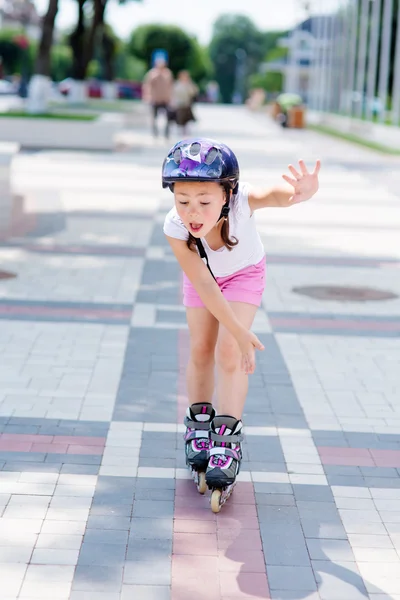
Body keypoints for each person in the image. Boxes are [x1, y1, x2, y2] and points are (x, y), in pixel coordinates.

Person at [162, 138, 320, 493]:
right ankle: (199, 425)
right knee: (202, 348)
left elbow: (275, 195)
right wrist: (237, 329)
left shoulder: (242, 201)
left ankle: (226, 437)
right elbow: (203, 283)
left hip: (245, 273)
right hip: (206, 280)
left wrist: (301, 192)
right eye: (182, 201)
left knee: (230, 352)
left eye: (204, 201)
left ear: (226, 194)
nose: (193, 213)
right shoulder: (175, 227)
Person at [142, 57, 173, 138]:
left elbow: (171, 86)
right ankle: (155, 133)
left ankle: (167, 133)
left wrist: (171, 97)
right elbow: (147, 85)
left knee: (168, 118)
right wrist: (147, 96)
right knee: (154, 118)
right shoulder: (152, 73)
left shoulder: (168, 73)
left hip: (165, 99)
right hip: (155, 99)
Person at [169, 70, 199, 135]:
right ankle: (181, 131)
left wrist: (189, 84)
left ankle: (186, 131)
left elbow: (194, 92)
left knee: (187, 119)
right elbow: (173, 94)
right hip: (179, 104)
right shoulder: (177, 84)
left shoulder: (189, 84)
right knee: (180, 118)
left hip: (187, 104)